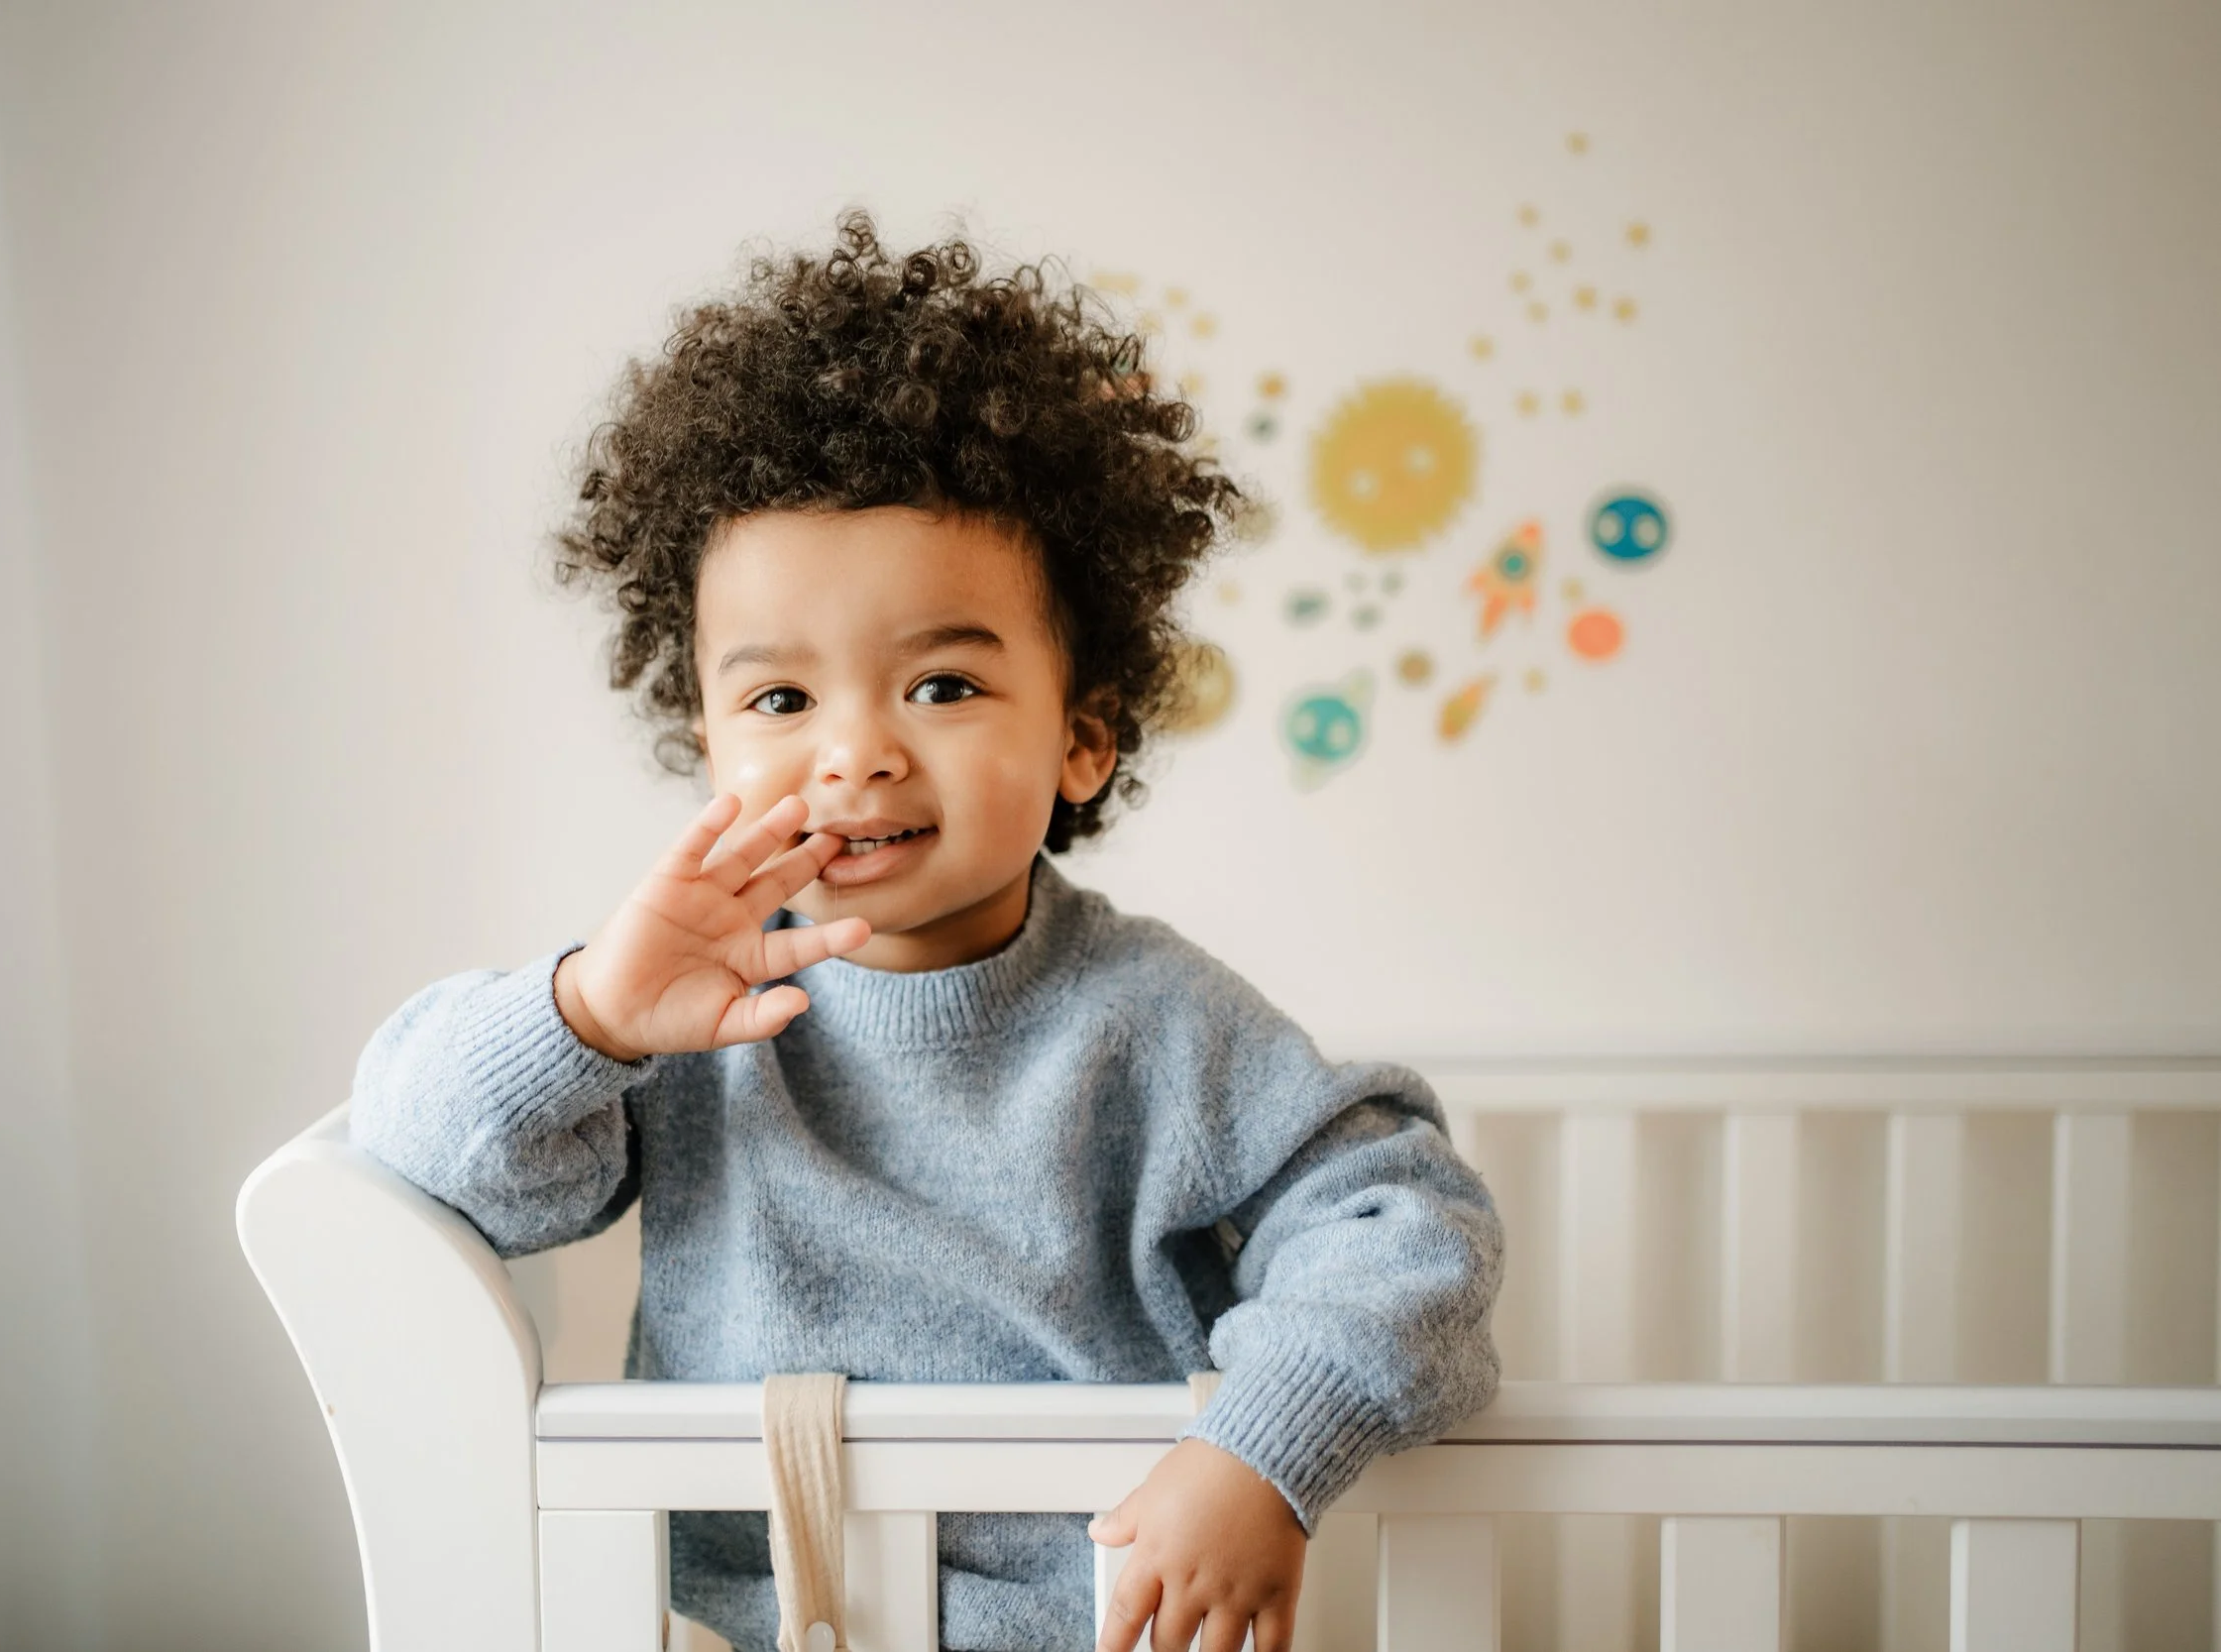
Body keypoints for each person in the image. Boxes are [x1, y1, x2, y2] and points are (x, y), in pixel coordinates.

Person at [347, 209, 1502, 1652]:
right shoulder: (685, 1014)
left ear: (1082, 739)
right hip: (752, 1626)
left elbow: (1412, 1222)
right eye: (781, 701)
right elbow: (406, 1142)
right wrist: (585, 1014)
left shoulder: (1154, 1020)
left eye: (942, 686)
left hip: (1100, 1625)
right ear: (704, 737)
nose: (856, 754)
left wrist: (1264, 1444)